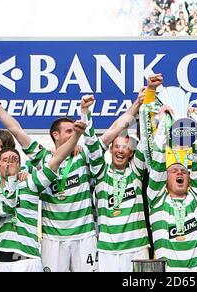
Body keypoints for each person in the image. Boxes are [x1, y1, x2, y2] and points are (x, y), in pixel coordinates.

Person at [0, 84, 97, 272]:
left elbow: (103, 139)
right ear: (55, 134)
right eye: (69, 131)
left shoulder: (83, 155)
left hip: (84, 233)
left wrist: (85, 114)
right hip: (52, 237)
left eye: (75, 131)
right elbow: (15, 129)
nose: (74, 134)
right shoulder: (43, 158)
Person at [81, 92, 151, 272]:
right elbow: (91, 144)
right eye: (117, 146)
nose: (121, 151)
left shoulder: (135, 171)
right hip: (107, 250)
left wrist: (145, 106)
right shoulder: (101, 172)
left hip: (137, 247)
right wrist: (85, 112)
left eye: (126, 147)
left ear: (131, 152)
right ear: (110, 149)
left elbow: (145, 141)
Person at [147, 104, 197, 272]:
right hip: (168, 271)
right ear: (165, 178)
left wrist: (193, 122)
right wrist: (164, 122)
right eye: (173, 171)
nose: (179, 173)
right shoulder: (157, 198)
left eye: (183, 171)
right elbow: (158, 160)